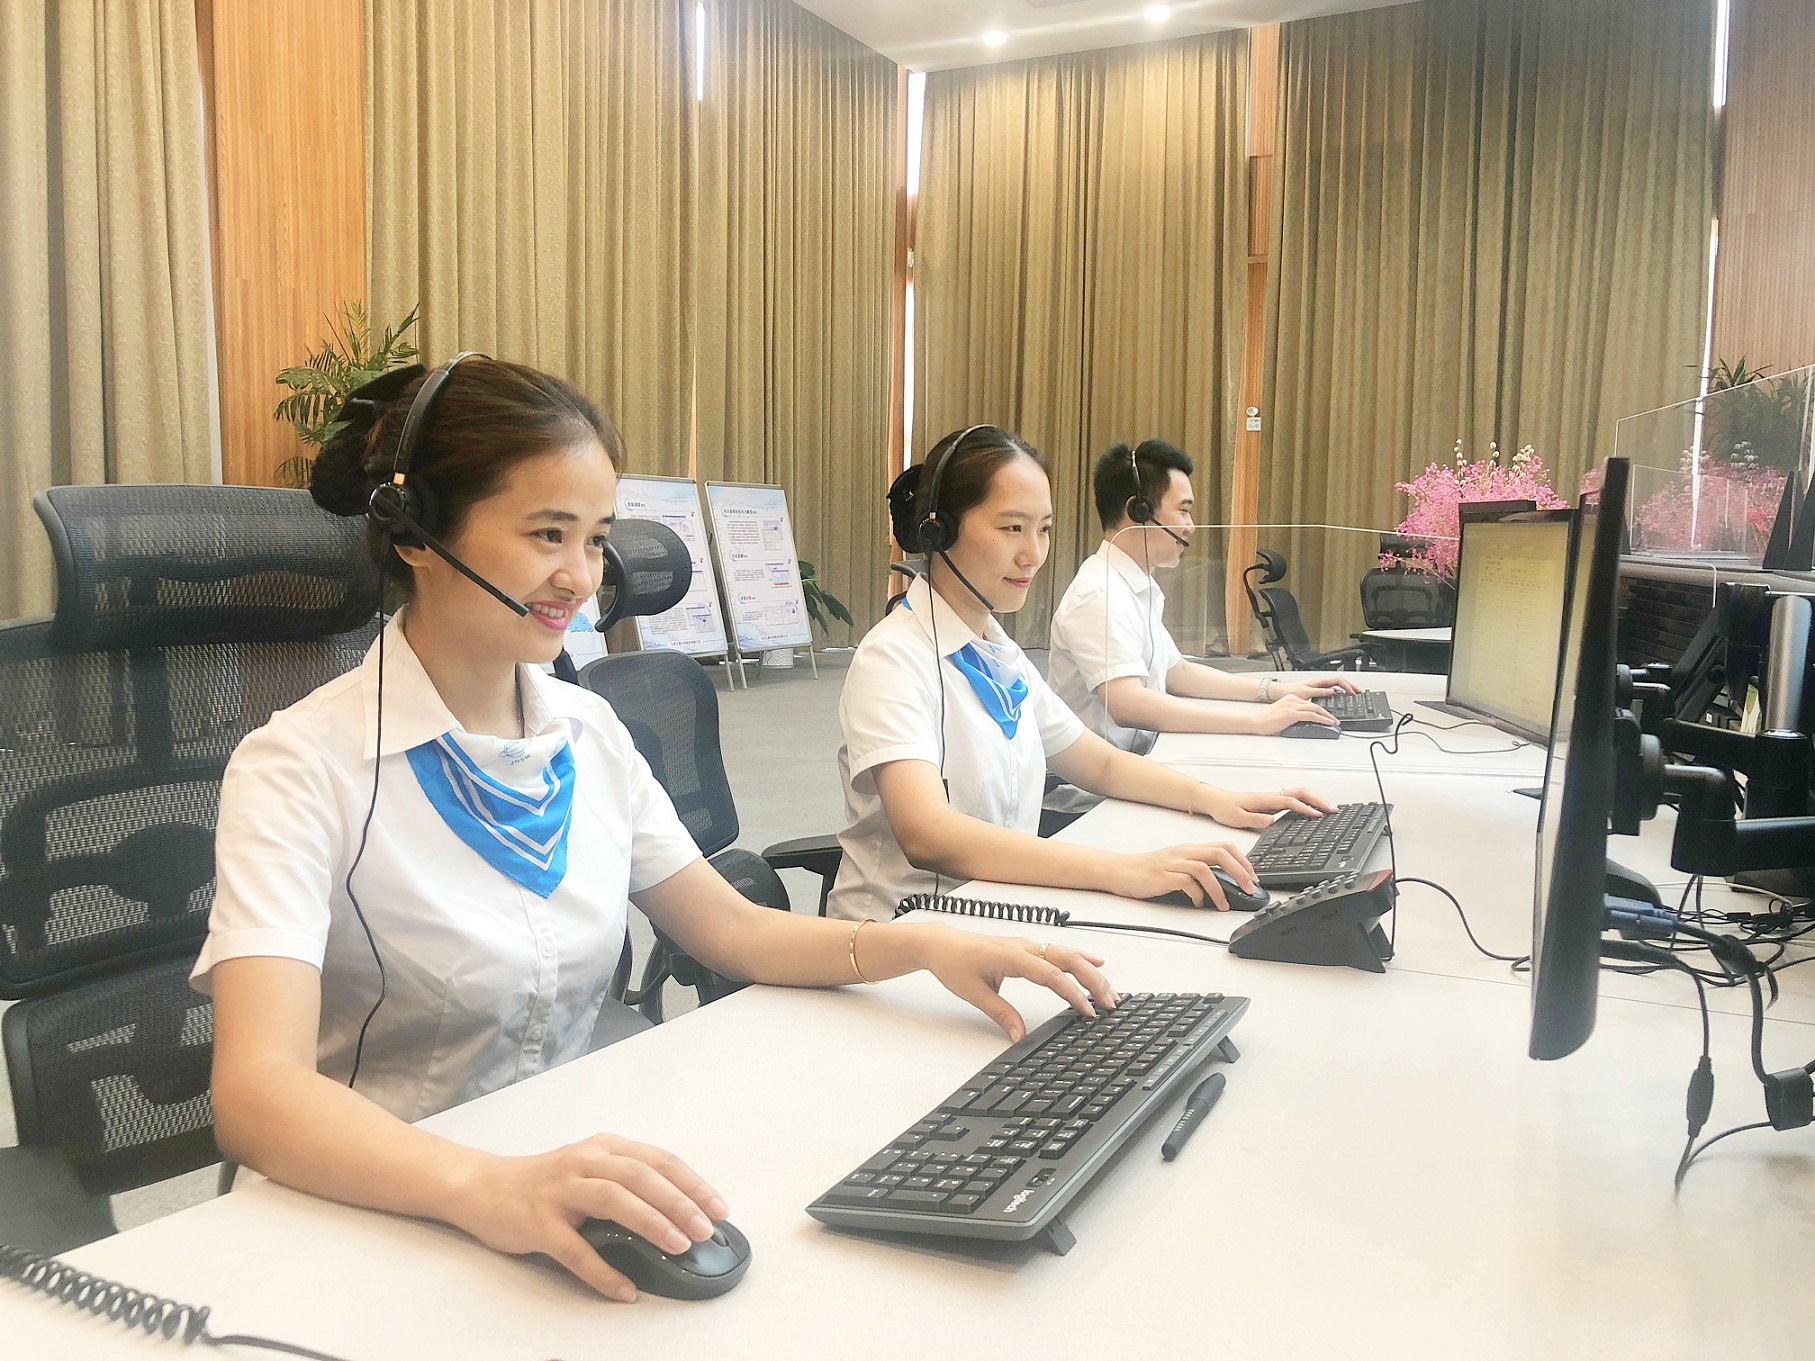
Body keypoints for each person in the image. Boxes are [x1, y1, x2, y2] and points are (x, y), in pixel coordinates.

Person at [193, 359, 1116, 1304]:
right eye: (547, 534)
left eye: (596, 539)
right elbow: (258, 1093)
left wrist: (919, 944)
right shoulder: (300, 766)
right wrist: (487, 1185)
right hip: (380, 1211)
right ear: (417, 531)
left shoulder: (587, 731)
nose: (581, 577)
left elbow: (731, 929)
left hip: (564, 1175)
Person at [828, 424, 1337, 923]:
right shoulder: (892, 659)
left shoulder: (997, 650)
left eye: (1044, 529)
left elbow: (1100, 764)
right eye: (1012, 528)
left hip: (991, 915)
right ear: (939, 529)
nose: (1033, 554)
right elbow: (928, 834)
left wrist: (1218, 801)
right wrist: (1123, 870)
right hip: (897, 935)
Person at [1047, 439, 1359, 751]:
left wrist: (1275, 691)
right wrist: (1255, 722)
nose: (1191, 527)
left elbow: (1178, 673)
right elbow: (1128, 704)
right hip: (1099, 778)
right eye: (1183, 511)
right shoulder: (1100, 594)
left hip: (1137, 756)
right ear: (1139, 511)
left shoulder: (1133, 585)